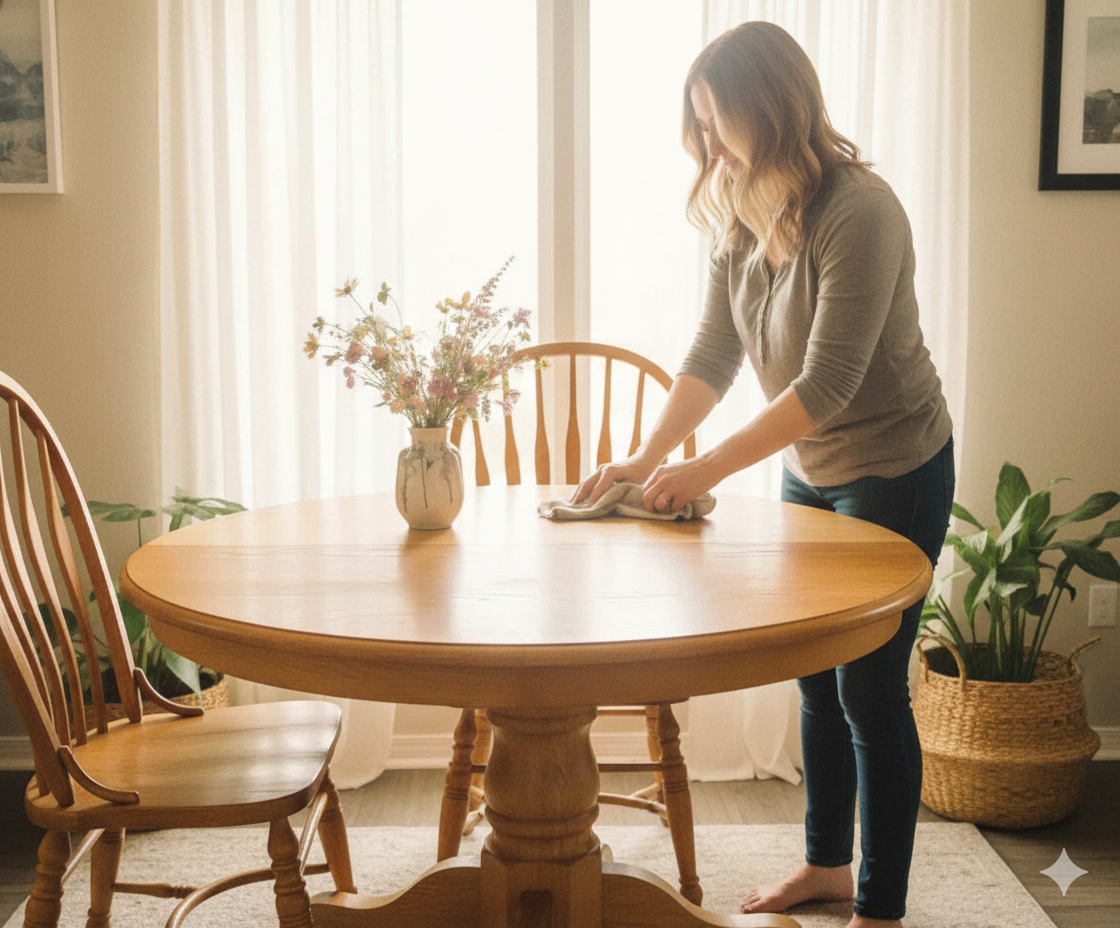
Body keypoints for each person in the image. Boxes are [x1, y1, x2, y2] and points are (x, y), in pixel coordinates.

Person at [571, 20, 954, 928]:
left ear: (769, 108)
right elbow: (711, 353)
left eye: (718, 121)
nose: (710, 145)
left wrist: (706, 466)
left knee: (869, 685)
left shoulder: (861, 211)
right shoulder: (745, 208)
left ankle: (882, 908)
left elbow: (827, 382)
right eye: (699, 126)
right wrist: (646, 457)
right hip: (814, 469)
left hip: (894, 465)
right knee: (816, 680)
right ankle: (827, 867)